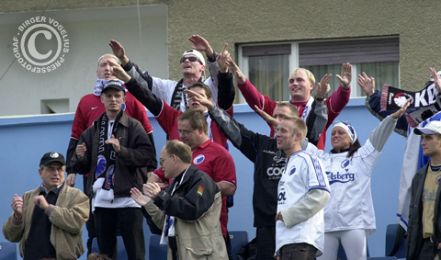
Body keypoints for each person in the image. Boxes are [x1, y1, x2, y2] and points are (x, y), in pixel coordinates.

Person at [187, 74, 327, 259]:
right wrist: (212, 106)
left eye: (283, 118)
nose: (276, 121)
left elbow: (314, 129)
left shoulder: (305, 152)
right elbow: (233, 129)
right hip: (266, 225)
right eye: (275, 116)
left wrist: (319, 100)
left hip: (296, 229)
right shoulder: (262, 145)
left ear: (296, 125)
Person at [65, 53, 156, 255]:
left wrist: (121, 151)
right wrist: (77, 159)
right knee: (104, 252)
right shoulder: (92, 127)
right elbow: (80, 156)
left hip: (128, 195)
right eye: (108, 96)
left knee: (135, 251)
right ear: (102, 99)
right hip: (100, 198)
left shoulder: (134, 122)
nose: (113, 99)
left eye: (117, 96)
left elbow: (147, 154)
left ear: (123, 98)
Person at [296, 101, 408, 260]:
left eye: (341, 133)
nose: (335, 135)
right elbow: (301, 142)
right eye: (333, 133)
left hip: (354, 224)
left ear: (351, 139)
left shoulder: (363, 157)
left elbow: (378, 136)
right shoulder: (321, 158)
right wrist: (284, 122)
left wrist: (392, 118)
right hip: (325, 224)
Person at [131, 140, 228, 259]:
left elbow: (192, 210)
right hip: (182, 253)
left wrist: (160, 196)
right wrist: (147, 204)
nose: (161, 167)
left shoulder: (202, 182)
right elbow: (165, 223)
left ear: (174, 158)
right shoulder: (175, 184)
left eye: (162, 161)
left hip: (204, 255)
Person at [235, 60, 352, 148]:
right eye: (291, 81)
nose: (294, 83)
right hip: (280, 164)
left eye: (300, 80)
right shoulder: (279, 109)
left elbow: (339, 100)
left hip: (310, 165)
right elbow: (257, 101)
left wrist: (345, 87)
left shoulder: (321, 107)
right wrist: (243, 82)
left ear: (312, 85)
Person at [2, 152, 89, 260]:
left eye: (60, 169)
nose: (56, 173)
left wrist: (48, 208)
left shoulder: (77, 196)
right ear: (40, 172)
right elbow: (11, 236)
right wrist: (17, 217)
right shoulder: (28, 197)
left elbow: (76, 223)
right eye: (51, 169)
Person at [109, 35, 224, 112]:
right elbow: (143, 80)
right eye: (183, 60)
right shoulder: (170, 87)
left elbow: (220, 75)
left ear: (202, 67)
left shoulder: (211, 85)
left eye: (192, 59)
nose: (187, 61)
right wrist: (123, 59)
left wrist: (209, 51)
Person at [275, 119, 330, 259]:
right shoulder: (290, 164)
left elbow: (321, 194)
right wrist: (279, 247)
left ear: (298, 136)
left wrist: (288, 215)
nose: (277, 135)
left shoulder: (309, 160)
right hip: (288, 243)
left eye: (283, 131)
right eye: (277, 130)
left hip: (301, 240)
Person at [407, 120, 441, 259]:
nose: (423, 142)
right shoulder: (419, 176)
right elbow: (414, 217)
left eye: (429, 137)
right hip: (424, 248)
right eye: (422, 138)